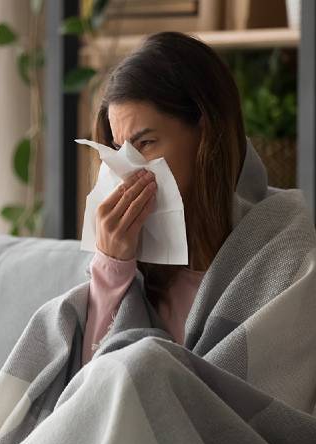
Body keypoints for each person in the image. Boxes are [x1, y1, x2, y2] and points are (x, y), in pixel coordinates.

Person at [80, 30, 249, 368]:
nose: (128, 169)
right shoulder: (138, 266)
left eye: (145, 143)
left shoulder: (270, 255)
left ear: (205, 134)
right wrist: (112, 266)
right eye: (117, 149)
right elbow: (89, 390)